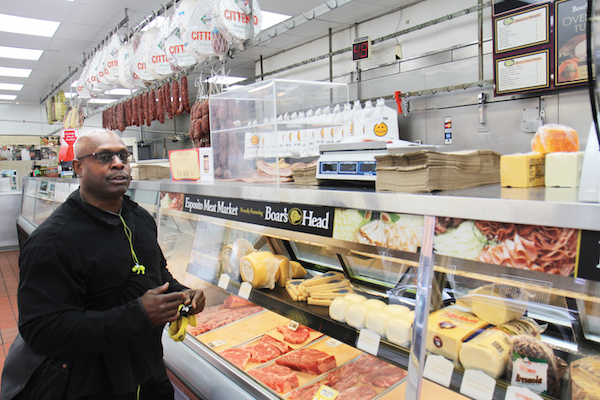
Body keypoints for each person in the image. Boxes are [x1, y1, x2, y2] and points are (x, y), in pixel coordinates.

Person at [12, 129, 205, 399]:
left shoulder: (139, 219)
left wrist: (182, 293)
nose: (118, 163)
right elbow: (41, 331)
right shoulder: (53, 241)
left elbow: (157, 273)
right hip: (92, 383)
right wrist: (138, 315)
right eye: (104, 157)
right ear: (79, 167)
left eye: (123, 156)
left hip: (149, 373)